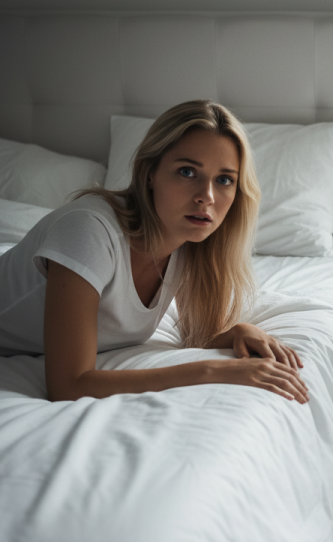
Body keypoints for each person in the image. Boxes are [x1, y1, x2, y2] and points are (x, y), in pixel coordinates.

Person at [0, 100, 308, 405]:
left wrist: (241, 331)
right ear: (149, 172)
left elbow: (196, 338)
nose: (207, 196)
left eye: (224, 179)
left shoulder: (188, 242)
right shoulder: (88, 232)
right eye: (188, 172)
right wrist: (213, 370)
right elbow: (68, 386)